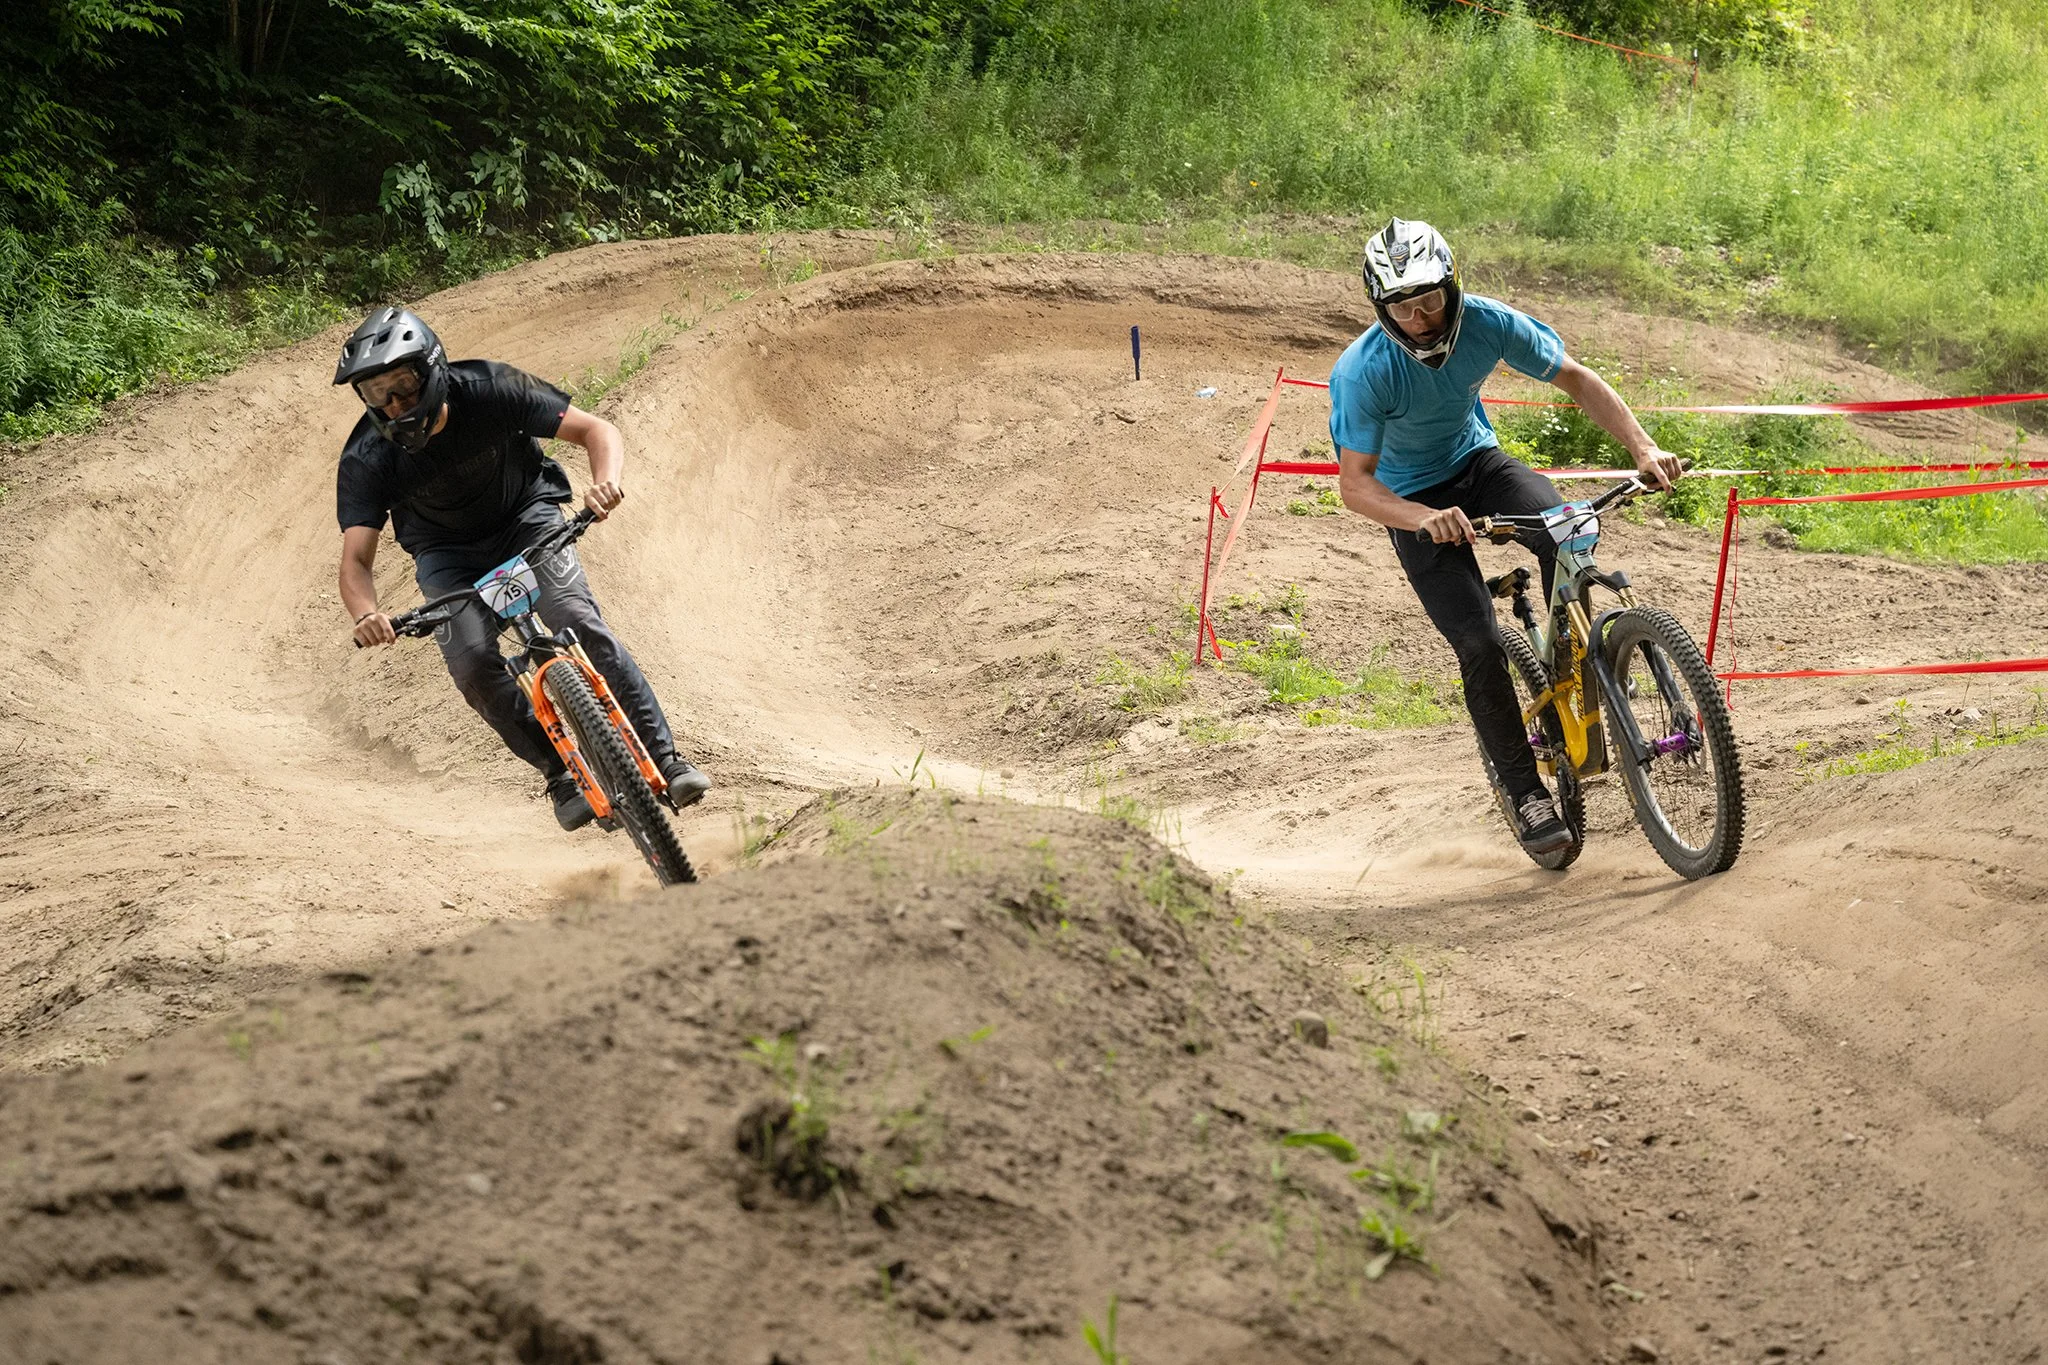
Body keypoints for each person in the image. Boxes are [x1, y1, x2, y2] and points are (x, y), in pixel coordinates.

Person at [1330, 219, 1683, 856]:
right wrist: (1420, 518)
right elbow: (1355, 487)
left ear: (1453, 286)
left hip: (1479, 464)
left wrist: (1643, 447)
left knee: (1567, 530)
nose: (1421, 319)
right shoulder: (1363, 372)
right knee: (1479, 641)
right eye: (1402, 307)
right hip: (1411, 500)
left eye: (1431, 299)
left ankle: (1572, 665)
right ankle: (1524, 792)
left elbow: (1575, 378)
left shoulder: (1488, 323)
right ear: (1380, 308)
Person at [333, 305, 710, 830]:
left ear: (433, 371)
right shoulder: (367, 458)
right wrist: (366, 614)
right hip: (448, 558)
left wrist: (605, 480)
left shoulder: (491, 387)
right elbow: (356, 560)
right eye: (378, 394)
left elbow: (597, 430)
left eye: (404, 386)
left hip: (527, 519)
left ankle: (666, 760)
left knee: (575, 619)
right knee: (470, 663)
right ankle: (559, 774)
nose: (395, 405)